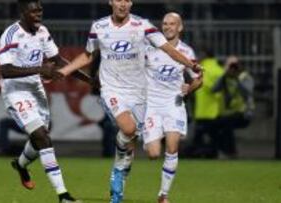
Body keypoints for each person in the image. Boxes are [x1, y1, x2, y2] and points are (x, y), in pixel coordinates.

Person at [57, 1, 201, 202]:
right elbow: (88, 55)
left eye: (126, 0)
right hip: (112, 89)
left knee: (131, 140)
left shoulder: (143, 26)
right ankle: (121, 167)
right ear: (111, 2)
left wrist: (191, 65)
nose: (122, 4)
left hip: (140, 93)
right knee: (127, 127)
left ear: (131, 3)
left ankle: (118, 179)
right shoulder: (99, 26)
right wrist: (65, 71)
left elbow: (168, 49)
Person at [0, 0, 89, 202]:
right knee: (42, 137)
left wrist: (90, 80)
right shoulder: (10, 35)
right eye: (34, 11)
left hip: (36, 89)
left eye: (40, 10)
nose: (38, 14)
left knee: (40, 138)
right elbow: (5, 70)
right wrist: (40, 69)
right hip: (16, 91)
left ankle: (20, 165)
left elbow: (58, 61)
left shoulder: (42, 32)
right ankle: (63, 196)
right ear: (22, 12)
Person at [143, 12, 202, 203]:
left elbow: (198, 79)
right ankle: (147, 137)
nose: (168, 27)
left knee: (172, 147)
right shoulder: (149, 48)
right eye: (165, 24)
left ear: (180, 27)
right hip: (151, 105)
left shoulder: (187, 52)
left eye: (172, 24)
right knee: (153, 154)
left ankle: (163, 195)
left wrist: (190, 88)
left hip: (173, 104)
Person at [212, 56, 255, 158]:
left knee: (227, 125)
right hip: (228, 114)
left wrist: (237, 79)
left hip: (243, 113)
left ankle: (231, 152)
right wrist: (224, 75)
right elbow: (214, 89)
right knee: (212, 126)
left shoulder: (245, 77)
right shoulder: (224, 78)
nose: (233, 69)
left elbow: (248, 92)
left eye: (235, 65)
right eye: (230, 66)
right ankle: (222, 150)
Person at [189, 50, 225, 158]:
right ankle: (213, 153)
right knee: (213, 135)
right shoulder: (220, 70)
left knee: (202, 135)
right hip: (216, 108)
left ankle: (200, 153)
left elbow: (207, 86)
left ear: (205, 55)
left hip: (203, 110)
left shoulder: (203, 69)